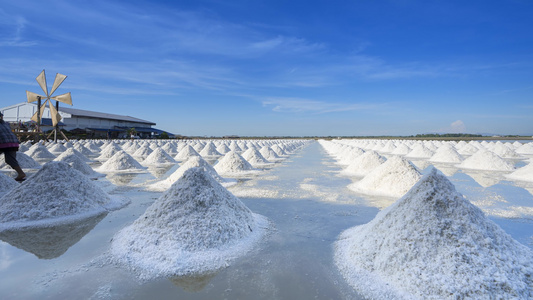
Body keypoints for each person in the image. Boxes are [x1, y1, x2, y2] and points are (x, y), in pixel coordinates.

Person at [0, 112, 26, 182]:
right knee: (10, 159)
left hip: (3, 142)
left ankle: (21, 173)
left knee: (10, 159)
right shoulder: (5, 124)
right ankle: (21, 173)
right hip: (13, 143)